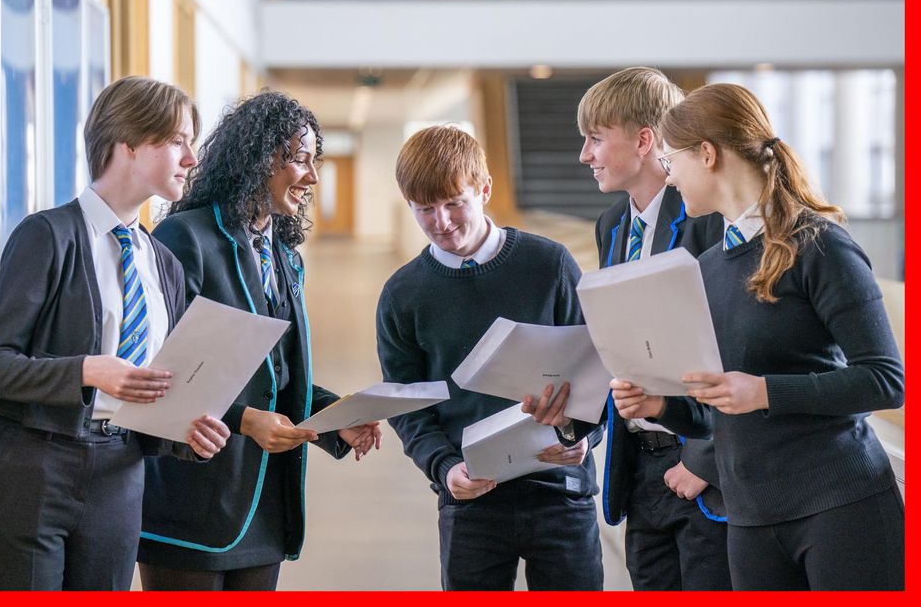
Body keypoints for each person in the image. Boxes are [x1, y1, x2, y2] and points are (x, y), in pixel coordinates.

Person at [611, 82, 905, 590]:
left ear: (707, 155)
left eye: (671, 159)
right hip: (748, 515)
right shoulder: (704, 268)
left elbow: (885, 381)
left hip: (838, 505)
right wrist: (658, 405)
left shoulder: (820, 245)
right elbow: (715, 410)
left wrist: (765, 391)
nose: (669, 174)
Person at [0, 76, 230, 590]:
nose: (192, 158)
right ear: (128, 142)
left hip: (120, 476)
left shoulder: (164, 264)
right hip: (32, 470)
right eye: (178, 140)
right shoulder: (46, 236)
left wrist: (188, 435)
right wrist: (89, 371)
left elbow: (159, 386)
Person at [138, 89, 381, 591]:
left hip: (265, 505)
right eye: (299, 159)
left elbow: (274, 374)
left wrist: (337, 418)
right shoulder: (186, 240)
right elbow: (156, 377)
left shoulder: (286, 255)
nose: (312, 176)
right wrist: (245, 422)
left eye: (315, 161)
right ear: (257, 156)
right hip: (194, 502)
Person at [377, 125, 603, 591]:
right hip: (470, 495)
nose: (441, 222)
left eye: (453, 203)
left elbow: (596, 370)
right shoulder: (403, 294)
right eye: (424, 209)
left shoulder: (550, 266)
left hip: (560, 488)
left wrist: (583, 437)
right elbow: (406, 403)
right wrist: (443, 468)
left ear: (484, 189)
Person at [554, 67, 731, 590]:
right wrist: (574, 421)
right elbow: (623, 344)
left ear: (645, 140)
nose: (585, 155)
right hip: (639, 468)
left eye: (595, 139)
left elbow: (741, 346)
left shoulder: (709, 220)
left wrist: (706, 461)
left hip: (700, 463)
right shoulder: (612, 224)